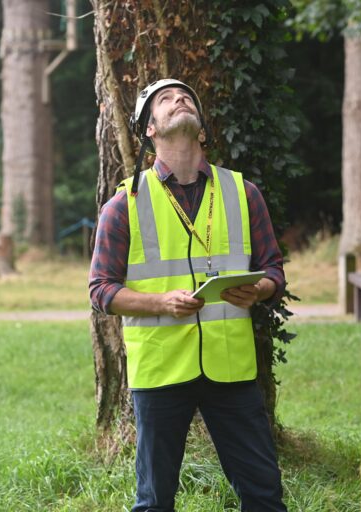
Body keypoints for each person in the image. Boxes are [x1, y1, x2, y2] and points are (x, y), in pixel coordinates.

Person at [88, 78, 287, 512]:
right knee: (155, 500)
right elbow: (101, 290)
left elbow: (274, 270)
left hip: (230, 366)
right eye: (165, 99)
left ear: (201, 130)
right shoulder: (124, 205)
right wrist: (161, 303)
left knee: (264, 495)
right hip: (160, 370)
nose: (179, 99)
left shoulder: (242, 192)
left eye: (186, 97)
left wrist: (260, 290)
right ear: (150, 130)